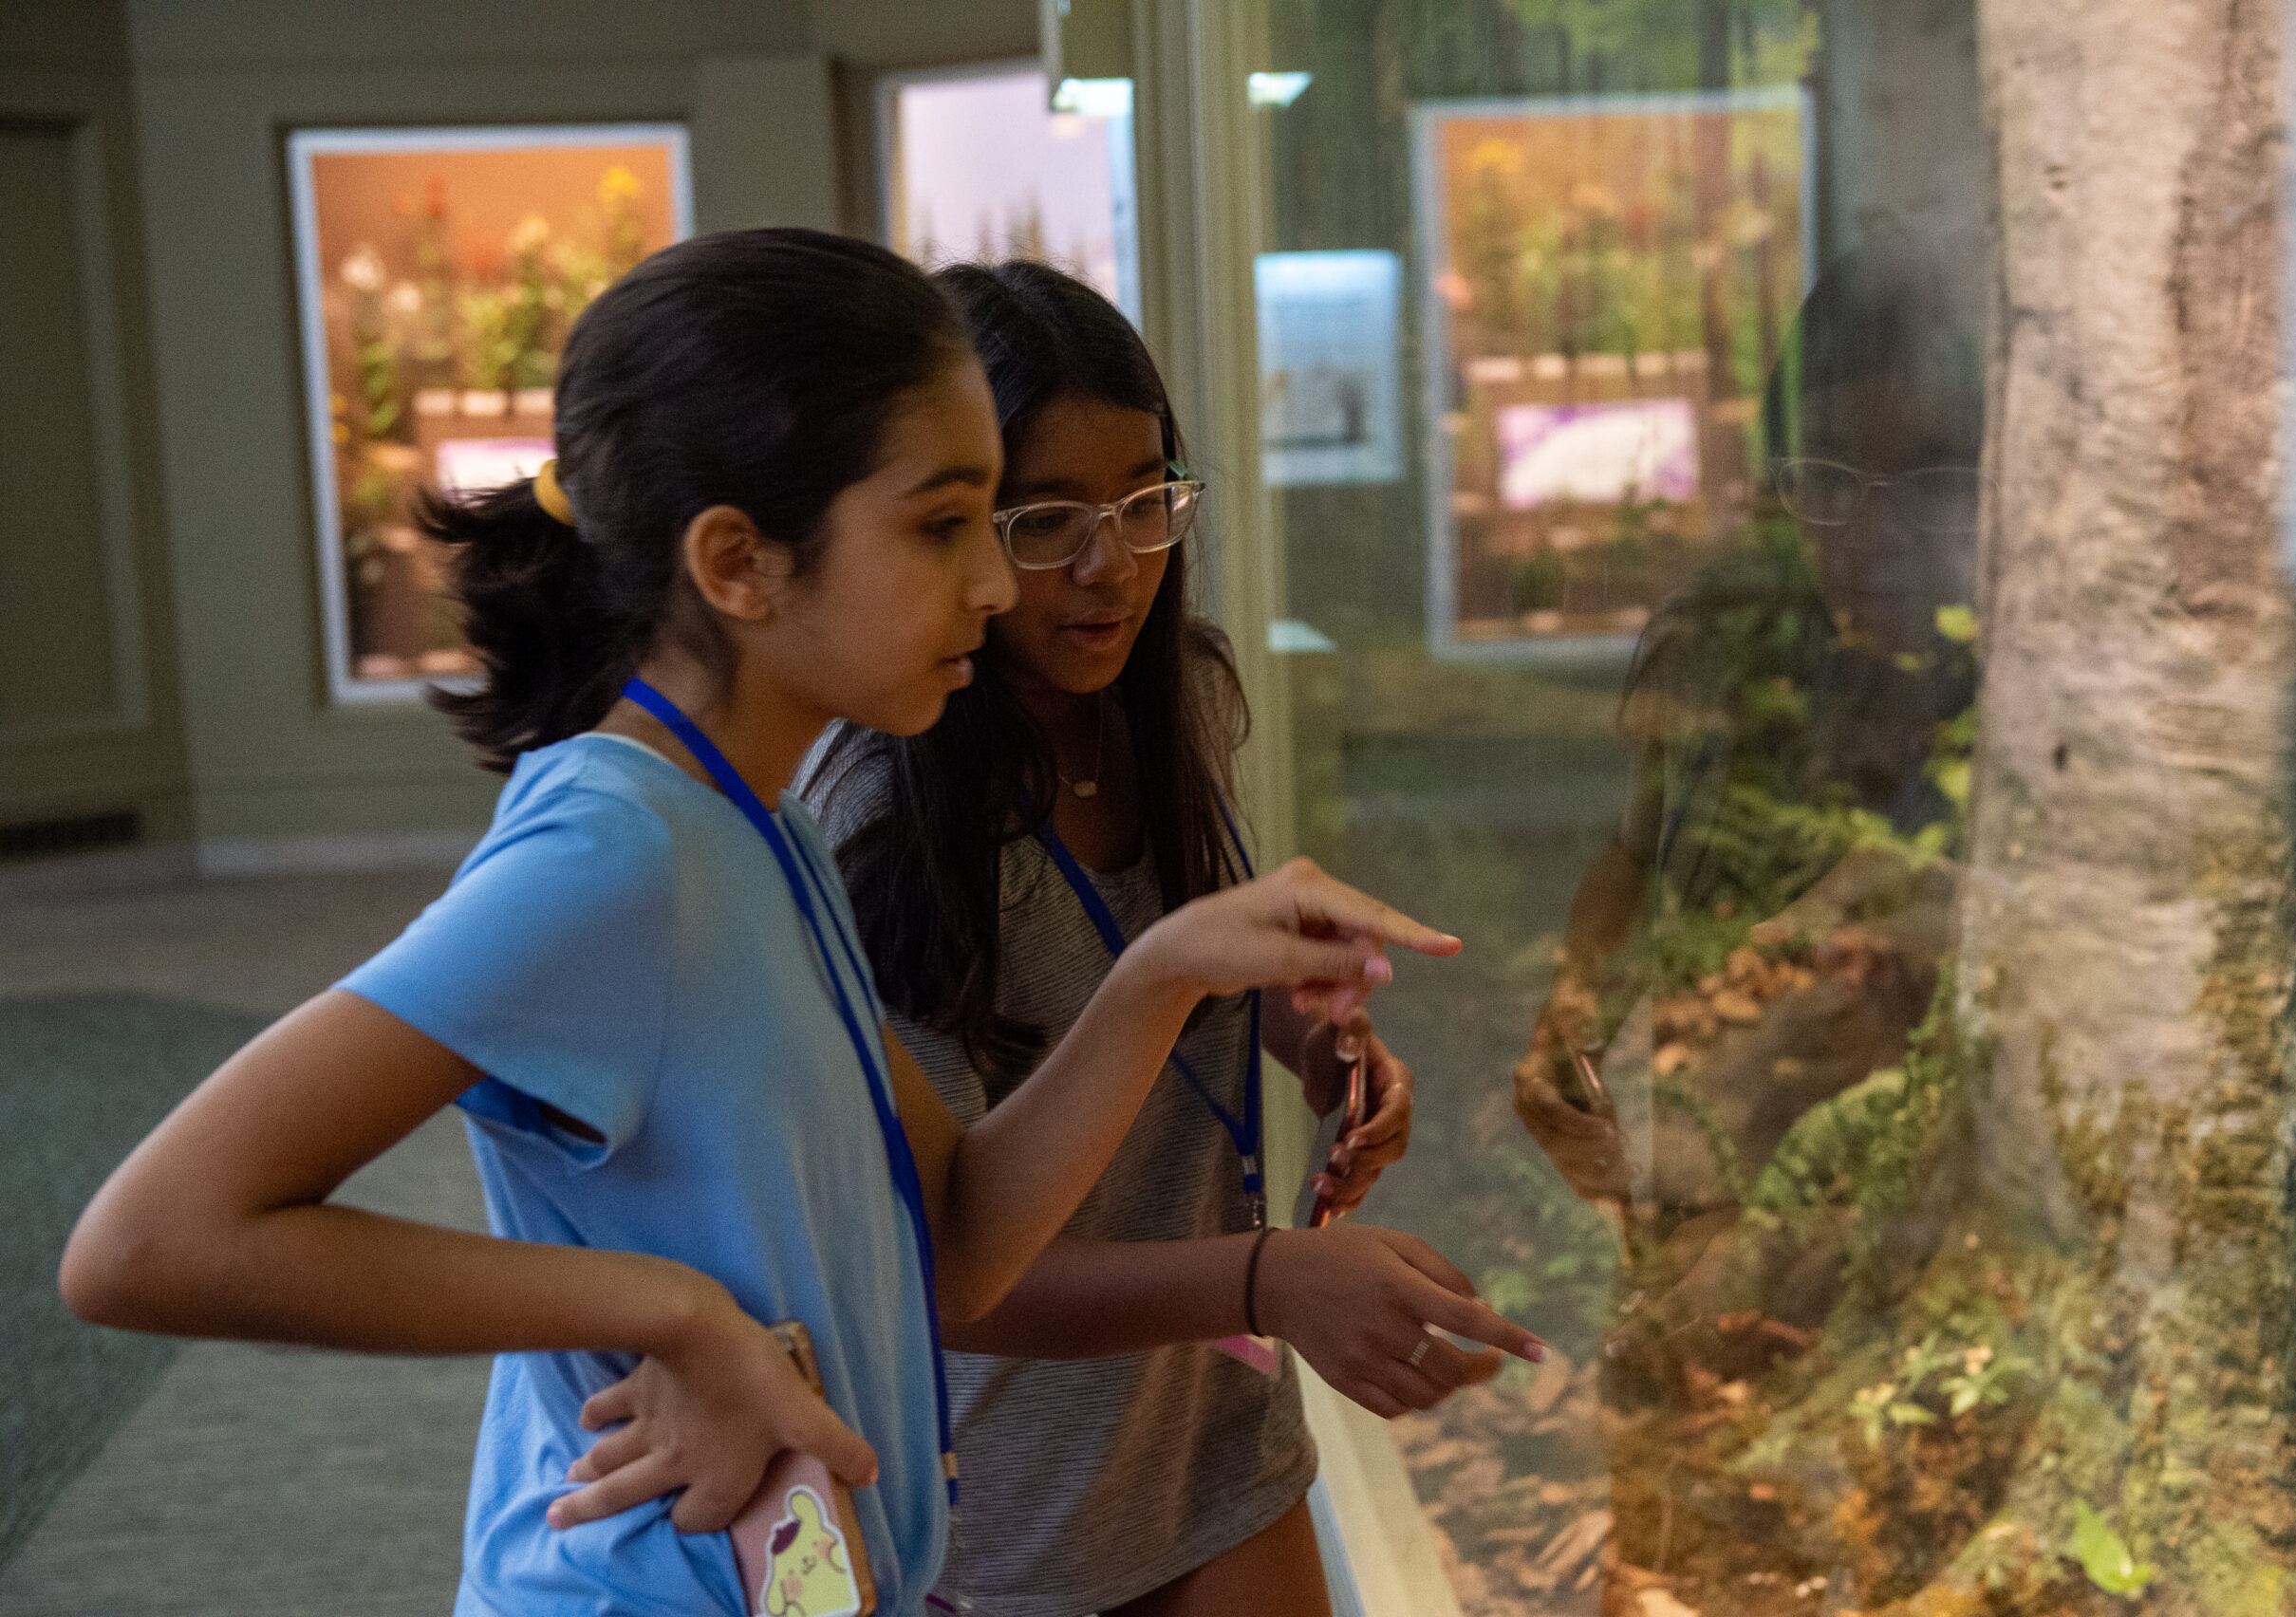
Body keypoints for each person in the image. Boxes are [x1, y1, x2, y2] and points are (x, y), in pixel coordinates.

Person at [57, 229, 1465, 1617]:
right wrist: (664, 1312)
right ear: (739, 563)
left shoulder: (756, 819)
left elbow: (958, 1239)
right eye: (944, 526)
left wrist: (1168, 969)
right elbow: (152, 1241)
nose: (994, 583)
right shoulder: (614, 851)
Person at [802, 260, 1539, 1617]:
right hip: (1008, 1502)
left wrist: (1324, 1053)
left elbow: (1195, 970)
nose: (1113, 565)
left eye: (1148, 501)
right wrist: (1267, 1277)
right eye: (1048, 520)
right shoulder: (880, 814)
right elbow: (939, 1274)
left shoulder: (1168, 694)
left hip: (1210, 1438)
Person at [1509, 232, 1988, 1361]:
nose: (1867, 535)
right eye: (1825, 481)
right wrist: (1574, 1018)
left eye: (1922, 485)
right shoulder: (1722, 640)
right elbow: (1634, 856)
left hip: (1926, 1257)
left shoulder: (2031, 694)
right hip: (1706, 1204)